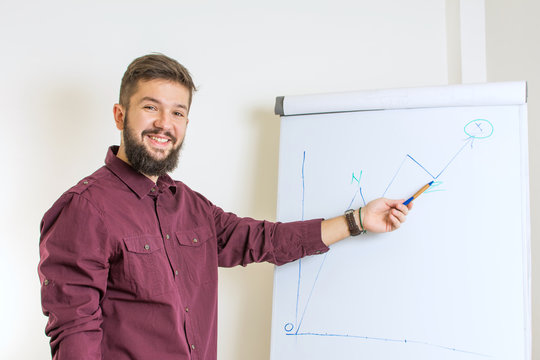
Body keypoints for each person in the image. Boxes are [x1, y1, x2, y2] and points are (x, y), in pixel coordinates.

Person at [38, 53, 412, 360]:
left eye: (178, 113)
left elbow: (265, 240)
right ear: (120, 115)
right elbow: (75, 334)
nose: (164, 124)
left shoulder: (190, 205)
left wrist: (358, 220)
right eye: (150, 107)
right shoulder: (83, 209)